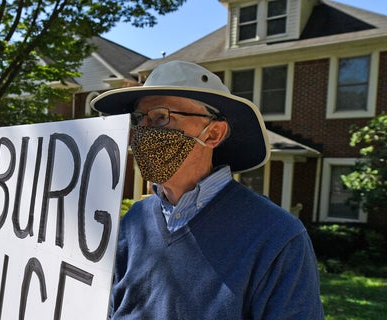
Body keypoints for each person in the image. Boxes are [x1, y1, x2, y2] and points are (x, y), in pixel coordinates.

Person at [90, 60, 324, 319]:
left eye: (160, 117)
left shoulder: (278, 237)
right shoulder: (133, 222)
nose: (143, 132)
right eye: (138, 119)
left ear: (213, 134)